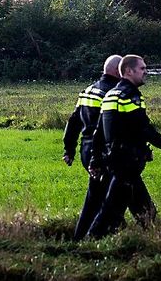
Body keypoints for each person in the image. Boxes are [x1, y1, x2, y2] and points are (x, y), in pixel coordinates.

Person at [86, 54, 161, 238]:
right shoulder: (130, 95)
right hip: (127, 163)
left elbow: (99, 132)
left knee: (145, 210)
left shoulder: (111, 94)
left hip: (117, 161)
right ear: (129, 71)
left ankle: (151, 241)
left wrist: (96, 159)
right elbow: (144, 129)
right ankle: (91, 243)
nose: (146, 72)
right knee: (111, 211)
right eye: (142, 69)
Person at [62, 54, 122, 240]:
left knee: (97, 197)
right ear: (116, 71)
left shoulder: (87, 91)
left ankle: (83, 237)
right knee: (102, 199)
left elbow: (73, 122)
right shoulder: (111, 93)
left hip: (85, 149)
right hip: (102, 151)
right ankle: (92, 237)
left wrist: (69, 149)